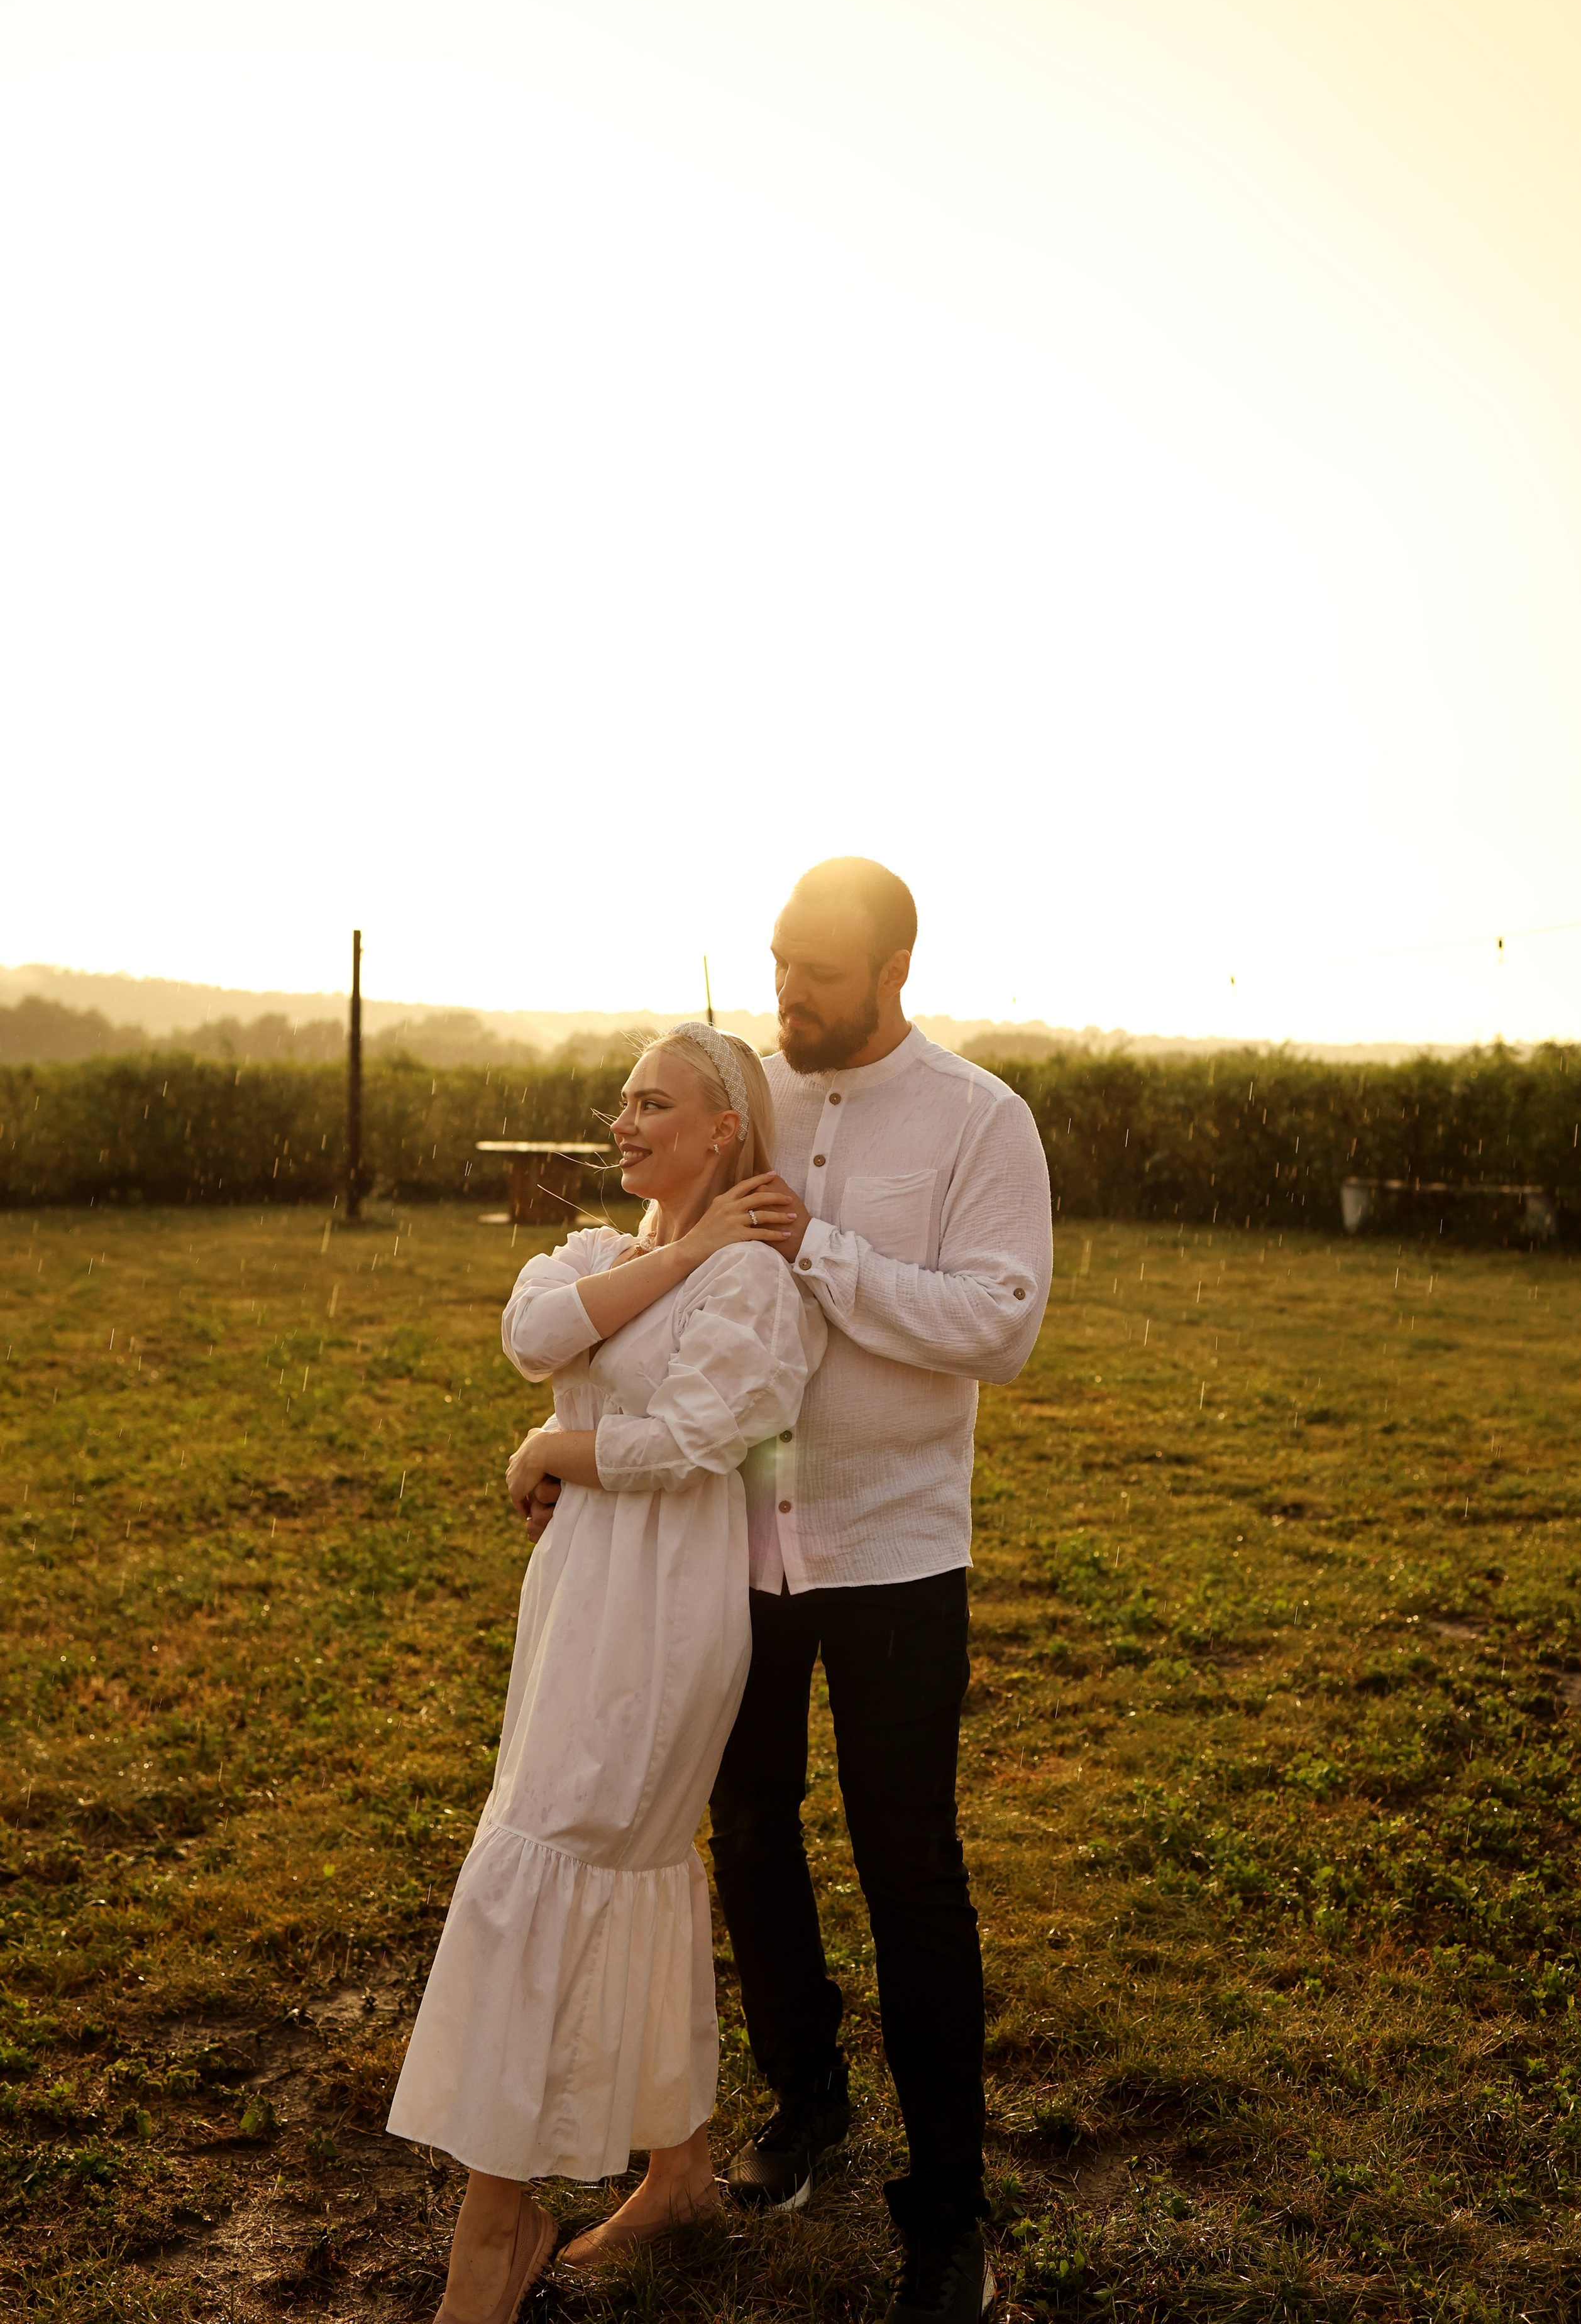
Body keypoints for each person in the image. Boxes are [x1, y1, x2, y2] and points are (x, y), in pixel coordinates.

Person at [387, 1023, 824, 2324]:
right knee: (596, 1861)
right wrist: (676, 1252)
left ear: (721, 1132)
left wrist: (554, 1451)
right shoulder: (606, 1252)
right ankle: (677, 2167)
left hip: (665, 1610)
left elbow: (700, 1440)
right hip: (576, 1597)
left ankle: (495, 2225)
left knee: (567, 1851)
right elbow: (531, 1331)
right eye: (622, 1101)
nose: (623, 1123)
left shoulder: (753, 1291)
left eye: (654, 1105)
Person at [715, 857, 1053, 2323]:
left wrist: (829, 1255)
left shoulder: (982, 1121)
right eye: (780, 960)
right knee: (744, 1823)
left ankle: (946, 2212)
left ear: (891, 974)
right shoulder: (750, 1099)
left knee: (907, 1870)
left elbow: (999, 1325)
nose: (787, 992)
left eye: (818, 973)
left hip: (902, 1550)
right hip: (746, 1534)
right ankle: (804, 2102)